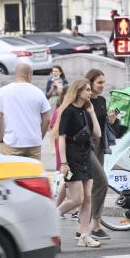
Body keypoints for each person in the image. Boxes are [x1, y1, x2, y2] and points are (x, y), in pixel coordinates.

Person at [53, 78, 101, 248]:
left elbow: (97, 133)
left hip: (86, 155)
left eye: (90, 89)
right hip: (72, 157)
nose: (90, 92)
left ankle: (84, 235)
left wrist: (93, 112)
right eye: (87, 90)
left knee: (88, 198)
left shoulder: (85, 111)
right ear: (78, 91)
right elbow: (61, 138)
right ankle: (51, 217)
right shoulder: (68, 111)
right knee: (76, 199)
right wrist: (64, 163)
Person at [83, 69, 118, 240]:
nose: (103, 86)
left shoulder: (103, 100)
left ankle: (88, 225)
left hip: (100, 145)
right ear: (90, 82)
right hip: (87, 146)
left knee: (93, 186)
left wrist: (110, 120)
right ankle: (94, 225)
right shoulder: (84, 100)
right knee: (101, 183)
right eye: (99, 82)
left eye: (104, 82)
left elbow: (103, 126)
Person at [0, 63, 50, 161]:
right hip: (33, 143)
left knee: (13, 174)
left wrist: (1, 139)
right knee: (32, 175)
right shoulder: (38, 92)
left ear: (16, 74)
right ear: (29, 75)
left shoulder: (3, 91)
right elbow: (47, 119)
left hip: (11, 143)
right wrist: (39, 138)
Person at [45, 65, 69, 154]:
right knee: (52, 126)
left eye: (56, 71)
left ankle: (62, 144)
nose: (54, 73)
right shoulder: (49, 81)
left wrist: (60, 90)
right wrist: (52, 90)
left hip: (61, 104)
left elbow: (67, 93)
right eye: (53, 71)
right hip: (52, 103)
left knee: (62, 124)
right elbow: (46, 95)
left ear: (60, 72)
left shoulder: (65, 81)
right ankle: (53, 147)